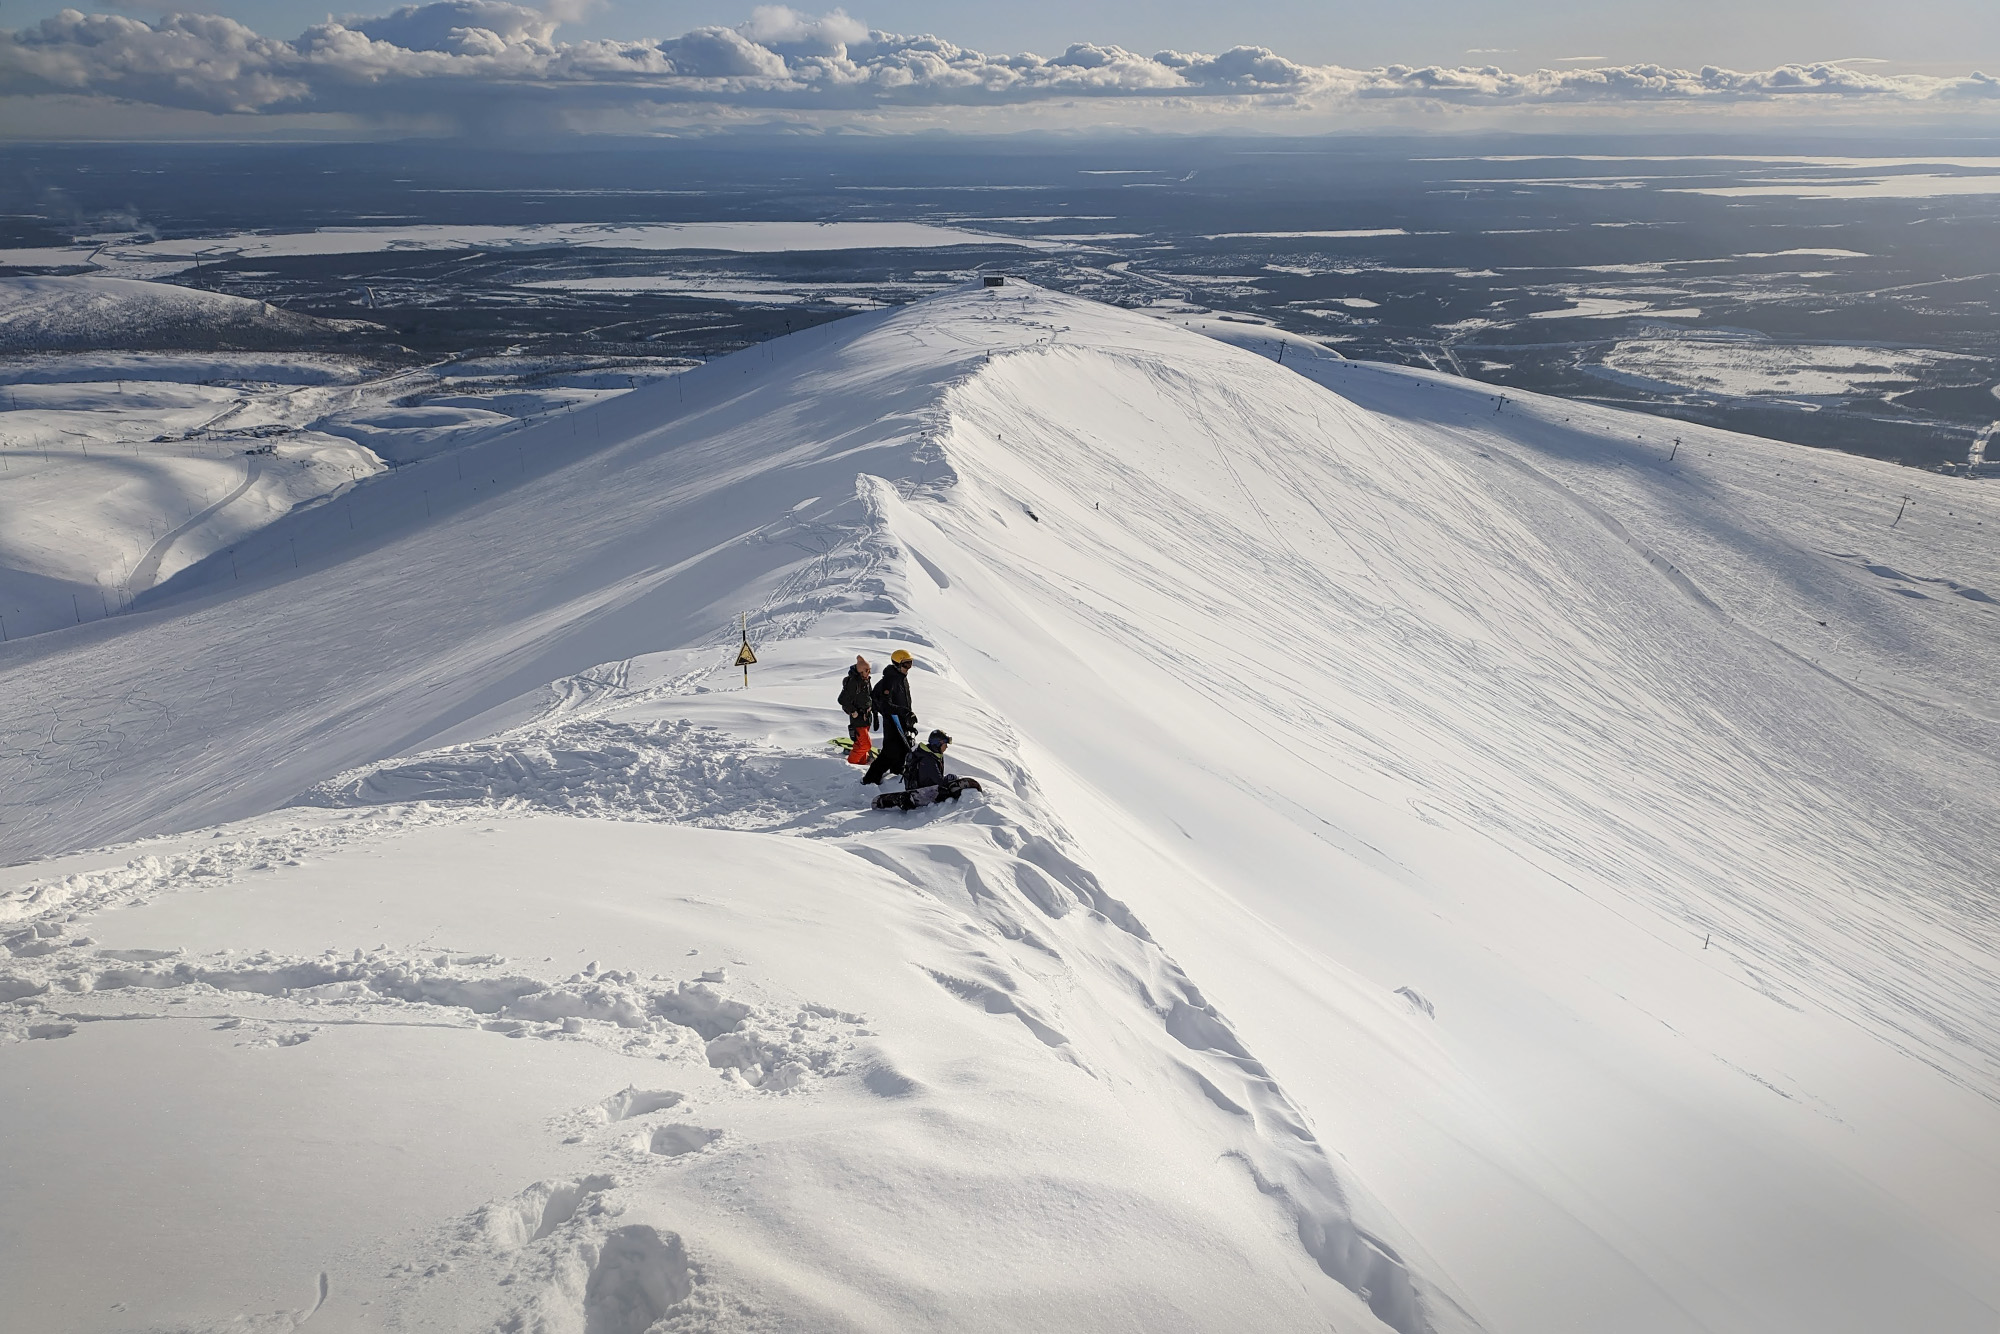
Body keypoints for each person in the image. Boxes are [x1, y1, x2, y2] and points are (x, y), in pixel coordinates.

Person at [873, 730, 981, 811]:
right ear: (938, 744)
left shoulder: (932, 755)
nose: (946, 747)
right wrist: (950, 779)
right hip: (920, 790)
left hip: (924, 786)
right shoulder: (928, 759)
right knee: (944, 789)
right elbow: (939, 781)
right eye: (945, 744)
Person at [861, 649, 917, 786]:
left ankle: (896, 778)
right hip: (892, 721)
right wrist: (905, 713)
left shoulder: (901, 678)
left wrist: (908, 721)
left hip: (900, 721)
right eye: (906, 664)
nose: (908, 668)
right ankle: (868, 781)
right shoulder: (890, 680)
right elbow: (886, 705)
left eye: (910, 664)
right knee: (890, 753)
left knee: (903, 750)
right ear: (897, 664)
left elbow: (904, 701)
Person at [837, 655, 873, 760]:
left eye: (869, 670)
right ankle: (851, 764)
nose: (868, 673)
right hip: (858, 718)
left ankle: (859, 766)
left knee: (860, 744)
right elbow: (842, 699)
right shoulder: (853, 682)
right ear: (861, 671)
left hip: (866, 717)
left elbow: (869, 696)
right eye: (867, 670)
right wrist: (853, 711)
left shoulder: (866, 681)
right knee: (865, 745)